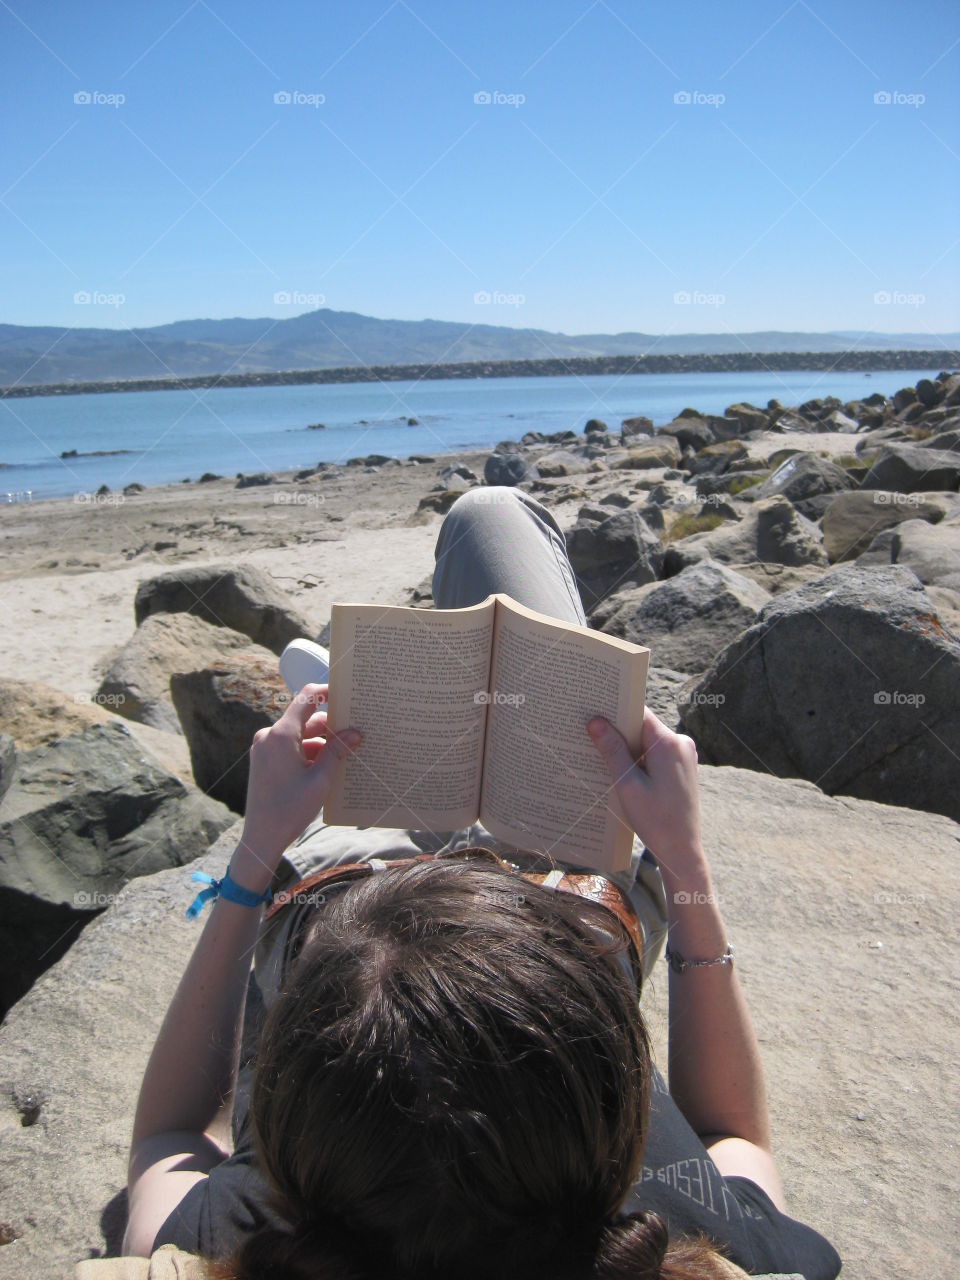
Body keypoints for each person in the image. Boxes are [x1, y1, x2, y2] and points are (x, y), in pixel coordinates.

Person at [97, 489, 840, 1280]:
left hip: (364, 880)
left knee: (478, 532)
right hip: (555, 877)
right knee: (494, 516)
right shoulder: (711, 1244)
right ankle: (414, 715)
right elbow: (733, 1131)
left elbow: (170, 1134)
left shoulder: (233, 1238)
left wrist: (254, 856)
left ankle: (366, 713)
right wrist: (685, 865)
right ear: (615, 1125)